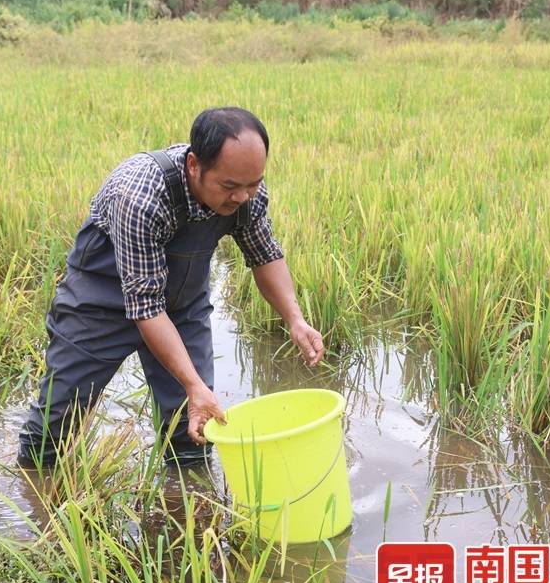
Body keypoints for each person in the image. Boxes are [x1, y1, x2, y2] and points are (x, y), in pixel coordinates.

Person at [17, 107, 325, 469]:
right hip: (99, 307)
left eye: (253, 184)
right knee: (55, 425)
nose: (242, 196)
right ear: (194, 165)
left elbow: (264, 254)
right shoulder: (140, 195)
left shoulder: (245, 191)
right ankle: (35, 496)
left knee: (193, 428)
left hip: (181, 307)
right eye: (229, 186)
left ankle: (188, 509)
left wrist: (295, 319)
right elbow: (145, 306)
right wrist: (193, 385)